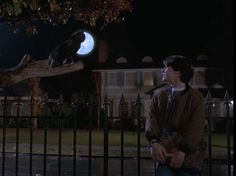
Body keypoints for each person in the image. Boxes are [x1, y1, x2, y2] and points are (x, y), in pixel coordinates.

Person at [145, 55, 206, 176]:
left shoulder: (196, 98)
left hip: (188, 159)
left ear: (177, 72)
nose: (163, 70)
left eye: (166, 67)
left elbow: (196, 127)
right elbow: (152, 120)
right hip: (164, 157)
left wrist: (182, 151)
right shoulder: (159, 96)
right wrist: (154, 143)